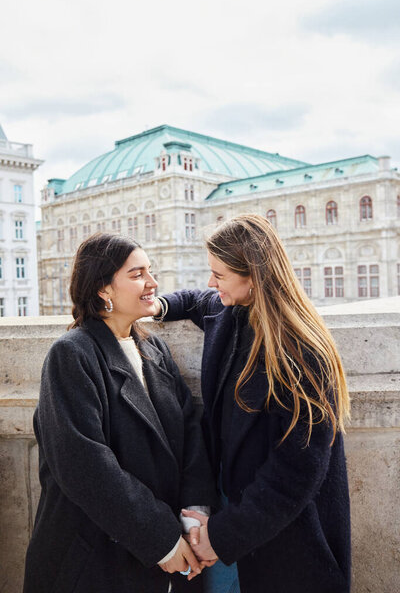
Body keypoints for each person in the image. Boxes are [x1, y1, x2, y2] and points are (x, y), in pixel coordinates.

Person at [154, 214, 351, 593]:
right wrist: (158, 305)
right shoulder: (231, 311)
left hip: (284, 534)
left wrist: (224, 536)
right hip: (235, 514)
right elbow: (196, 299)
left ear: (254, 277)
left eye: (220, 275)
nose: (211, 282)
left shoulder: (303, 352)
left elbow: (296, 473)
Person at [23, 233, 216, 593]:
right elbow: (84, 465)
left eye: (151, 271)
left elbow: (191, 435)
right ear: (103, 289)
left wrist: (195, 514)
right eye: (137, 273)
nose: (153, 283)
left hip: (168, 557)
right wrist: (161, 539)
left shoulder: (153, 348)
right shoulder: (71, 355)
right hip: (96, 563)